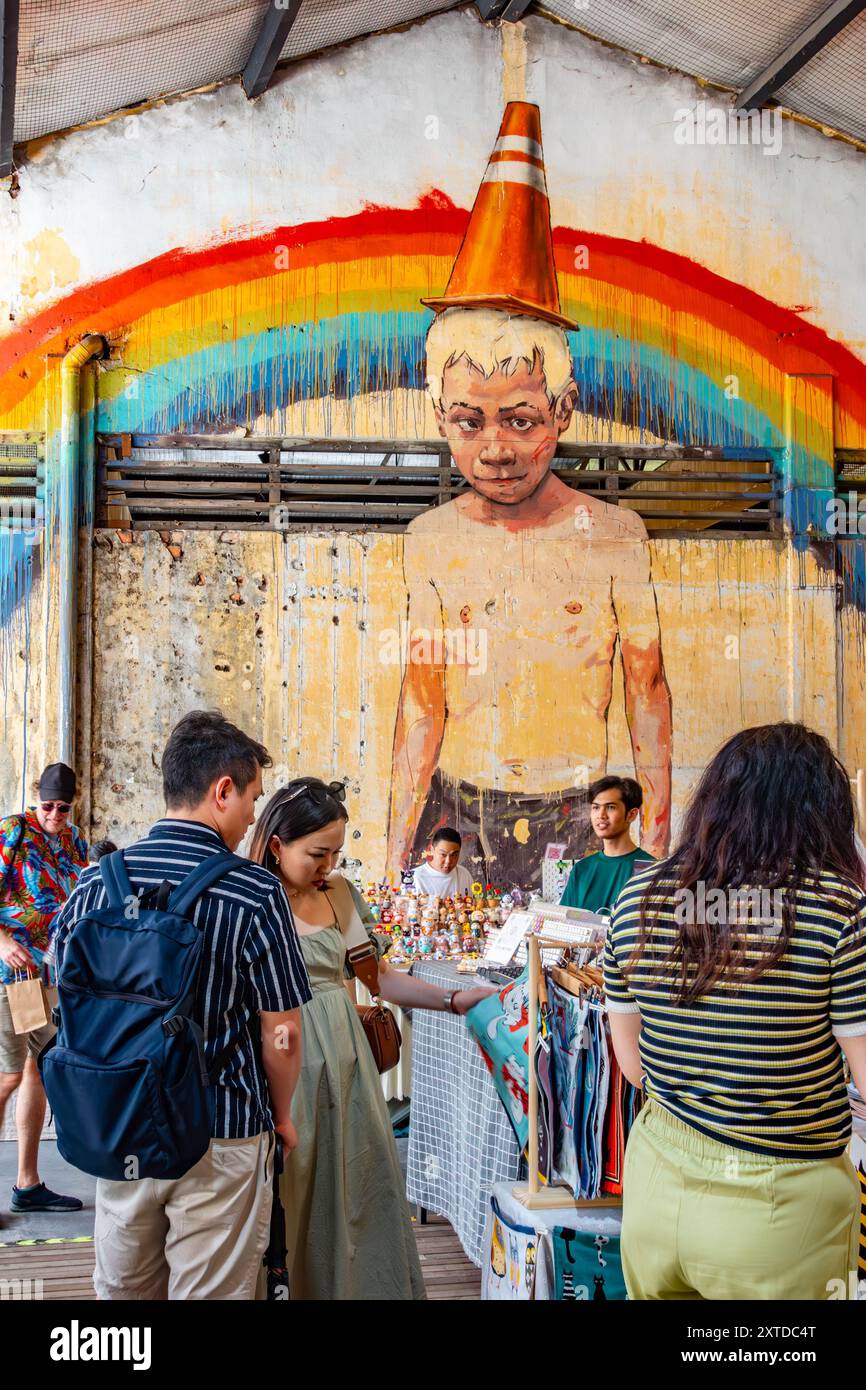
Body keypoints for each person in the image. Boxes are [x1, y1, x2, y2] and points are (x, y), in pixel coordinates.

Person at [387, 101, 671, 888]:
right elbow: (420, 706)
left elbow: (647, 692)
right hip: (456, 816)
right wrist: (388, 857)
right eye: (467, 422)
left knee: (582, 985)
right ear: (437, 416)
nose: (495, 447)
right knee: (457, 995)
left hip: (587, 818)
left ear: (565, 412)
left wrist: (663, 842)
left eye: (520, 419)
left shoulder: (616, 533)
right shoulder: (431, 538)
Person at [51, 711, 311, 1300]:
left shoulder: (95, 884)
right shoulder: (255, 892)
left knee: (125, 1298)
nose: (251, 816)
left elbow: (56, 994)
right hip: (224, 1130)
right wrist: (284, 1115)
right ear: (222, 791)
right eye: (251, 798)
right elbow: (282, 1033)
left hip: (120, 1128)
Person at [605, 722, 866, 1300]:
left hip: (655, 1192)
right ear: (822, 810)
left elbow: (632, 1064)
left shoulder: (637, 898)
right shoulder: (839, 909)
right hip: (778, 1211)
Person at [250, 777, 496, 1300]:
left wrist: (451, 1000)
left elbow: (377, 977)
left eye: (336, 853)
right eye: (318, 853)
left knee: (358, 1187)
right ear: (276, 844)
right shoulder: (250, 897)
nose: (329, 867)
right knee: (289, 1188)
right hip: (278, 1058)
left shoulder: (339, 894)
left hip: (344, 1061)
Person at [0, 762, 87, 1219]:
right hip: (11, 973)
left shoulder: (74, 841)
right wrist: (5, 940)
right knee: (8, 1076)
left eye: (64, 807)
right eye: (48, 805)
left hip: (50, 976)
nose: (55, 813)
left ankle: (28, 1182)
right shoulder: (14, 831)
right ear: (37, 799)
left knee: (37, 1069)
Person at [559, 777, 655, 914]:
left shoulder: (649, 867)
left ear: (631, 814)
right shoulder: (582, 869)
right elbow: (565, 925)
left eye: (610, 807)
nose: (601, 815)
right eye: (596, 807)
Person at [411, 826, 474, 898]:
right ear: (432, 850)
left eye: (454, 855)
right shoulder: (414, 878)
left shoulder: (464, 875)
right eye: (443, 855)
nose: (448, 861)